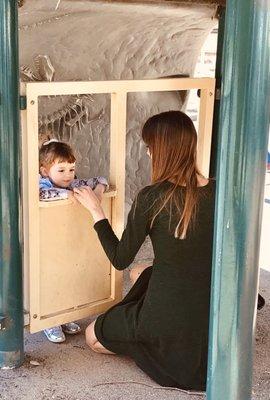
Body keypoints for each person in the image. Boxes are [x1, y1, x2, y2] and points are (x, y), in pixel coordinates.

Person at [73, 110, 215, 391]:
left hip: (168, 322)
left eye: (150, 147)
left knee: (93, 336)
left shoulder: (152, 198)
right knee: (141, 272)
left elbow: (120, 258)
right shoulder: (218, 189)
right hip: (210, 310)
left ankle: (147, 343)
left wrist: (96, 211)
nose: (148, 154)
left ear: (161, 150)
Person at [39, 138, 108, 343]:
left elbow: (101, 179)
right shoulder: (42, 183)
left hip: (64, 238)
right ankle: (48, 321)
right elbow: (41, 194)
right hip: (44, 242)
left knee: (66, 275)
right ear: (44, 171)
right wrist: (65, 196)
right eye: (61, 170)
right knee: (49, 277)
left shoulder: (73, 182)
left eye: (71, 169)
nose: (68, 175)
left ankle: (64, 316)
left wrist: (97, 192)